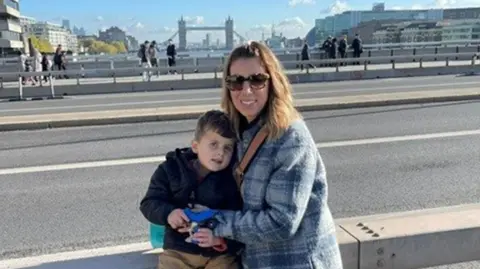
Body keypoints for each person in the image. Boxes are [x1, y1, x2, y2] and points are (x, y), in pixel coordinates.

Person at [190, 41, 344, 269]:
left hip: (298, 262)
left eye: (257, 79)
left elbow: (282, 222)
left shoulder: (290, 138)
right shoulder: (238, 131)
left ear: (273, 82)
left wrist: (215, 221)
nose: (246, 90)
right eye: (236, 81)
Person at [139, 110, 243, 269]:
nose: (220, 152)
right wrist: (169, 213)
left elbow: (240, 218)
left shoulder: (231, 178)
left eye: (227, 148)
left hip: (217, 253)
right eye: (213, 144)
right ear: (195, 146)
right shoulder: (171, 169)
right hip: (179, 250)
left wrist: (221, 239)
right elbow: (150, 203)